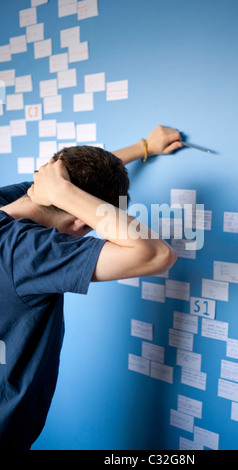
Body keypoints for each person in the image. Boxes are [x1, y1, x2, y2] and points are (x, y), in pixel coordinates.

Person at [0, 125, 183, 450]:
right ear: (82, 221)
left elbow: (73, 180)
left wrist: (143, 147)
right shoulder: (29, 253)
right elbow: (156, 253)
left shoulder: (7, 204)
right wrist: (67, 194)